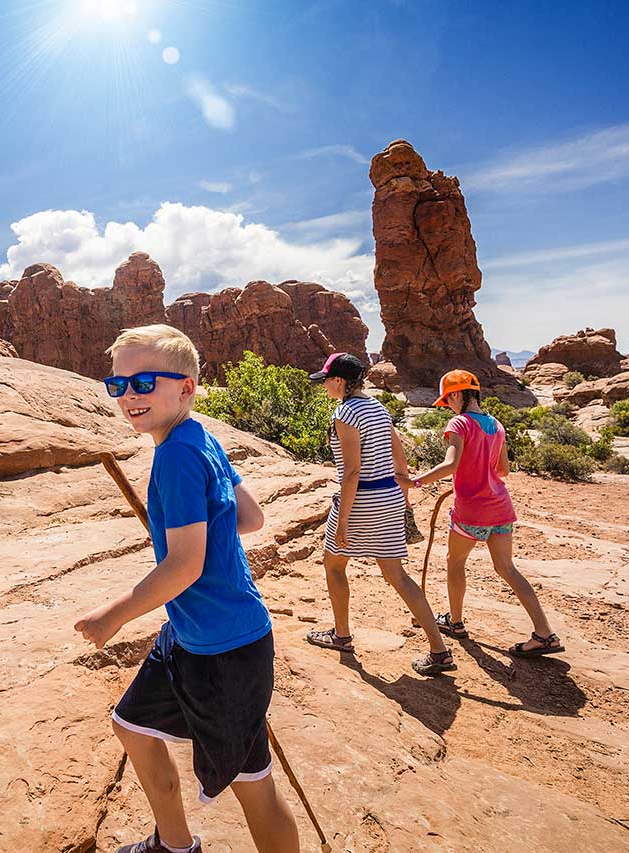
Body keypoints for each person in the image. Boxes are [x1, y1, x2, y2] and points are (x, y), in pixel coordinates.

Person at [74, 325, 299, 853]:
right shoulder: (200, 437)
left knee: (253, 787)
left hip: (224, 652)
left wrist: (113, 616)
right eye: (119, 384)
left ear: (187, 387)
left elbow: (184, 568)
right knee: (133, 725)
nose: (129, 394)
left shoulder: (176, 455)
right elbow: (250, 517)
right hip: (193, 634)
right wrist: (200, 525)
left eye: (145, 381)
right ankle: (174, 845)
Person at [304, 352, 456, 676]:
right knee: (397, 576)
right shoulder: (378, 407)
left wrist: (342, 521)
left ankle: (341, 636)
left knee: (333, 564)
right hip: (387, 498)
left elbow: (351, 472)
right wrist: (403, 496)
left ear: (340, 382)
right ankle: (439, 649)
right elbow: (399, 455)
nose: (325, 386)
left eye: (327, 380)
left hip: (361, 500)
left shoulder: (345, 413)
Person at [404, 370, 564, 657]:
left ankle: (455, 622)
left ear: (456, 394)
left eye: (447, 400)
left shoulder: (459, 423)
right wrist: (478, 472)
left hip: (471, 511)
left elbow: (450, 465)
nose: (448, 407)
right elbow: (503, 469)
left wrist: (414, 482)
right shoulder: (497, 424)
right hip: (501, 507)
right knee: (507, 569)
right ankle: (544, 633)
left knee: (455, 562)